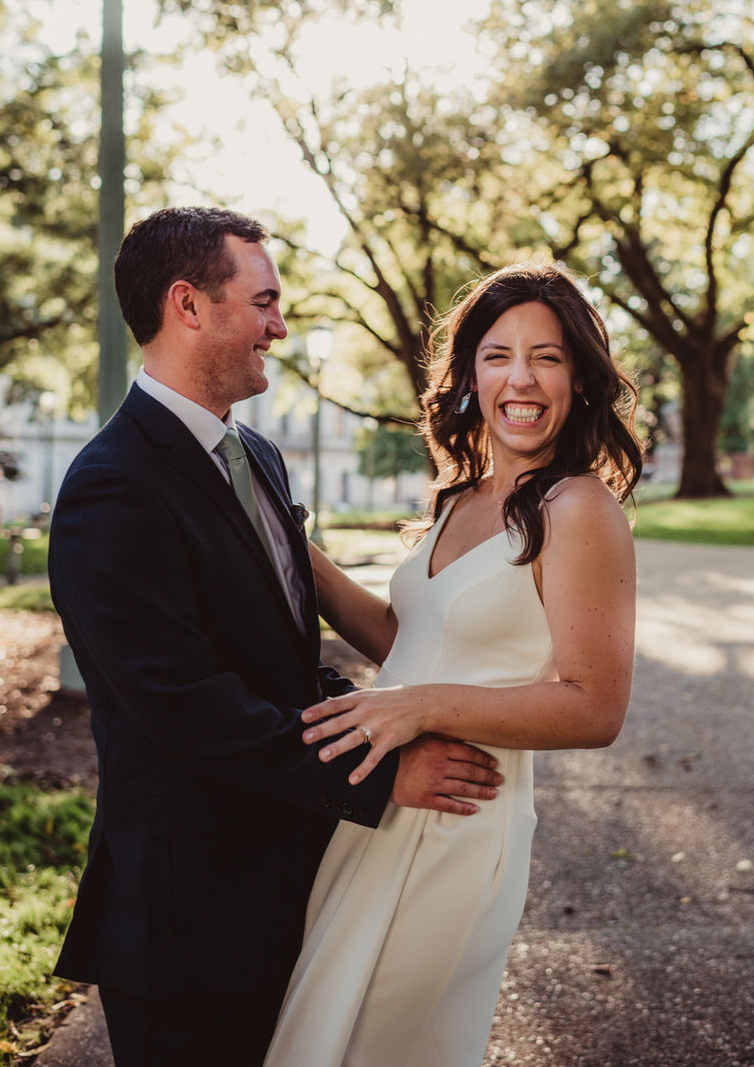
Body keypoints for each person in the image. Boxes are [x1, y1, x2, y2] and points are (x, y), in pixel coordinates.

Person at [48, 206, 502, 1067]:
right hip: (187, 920)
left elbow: (277, 664)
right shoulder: (113, 487)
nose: (279, 326)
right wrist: (380, 769)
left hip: (285, 882)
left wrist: (378, 713)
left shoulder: (257, 457)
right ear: (189, 305)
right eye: (263, 302)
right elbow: (186, 707)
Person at [262, 261, 642, 1067]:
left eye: (547, 356)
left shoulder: (577, 509)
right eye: (498, 354)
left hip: (460, 821)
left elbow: (593, 708)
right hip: (379, 800)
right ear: (469, 374)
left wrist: (419, 707)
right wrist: (292, 549)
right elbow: (407, 638)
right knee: (322, 1033)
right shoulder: (461, 497)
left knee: (384, 1044)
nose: (522, 378)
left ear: (578, 377)